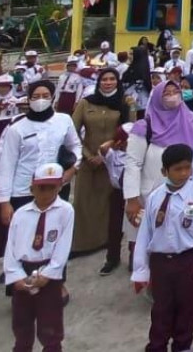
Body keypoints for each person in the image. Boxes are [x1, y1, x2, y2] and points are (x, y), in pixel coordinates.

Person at [131, 143, 193, 352]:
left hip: (187, 260)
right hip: (160, 262)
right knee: (161, 309)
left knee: (186, 309)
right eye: (178, 169)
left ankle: (182, 346)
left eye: (187, 168)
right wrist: (141, 270)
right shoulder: (155, 197)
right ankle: (157, 346)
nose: (184, 173)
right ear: (164, 171)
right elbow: (145, 235)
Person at [124, 81, 193, 267]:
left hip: (185, 194)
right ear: (157, 98)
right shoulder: (144, 126)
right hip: (150, 196)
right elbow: (132, 163)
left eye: (176, 92)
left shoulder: (190, 120)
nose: (172, 96)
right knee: (149, 240)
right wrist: (132, 199)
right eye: (167, 93)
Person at [3, 163, 74, 352]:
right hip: (23, 270)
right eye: (42, 187)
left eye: (52, 187)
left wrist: (48, 274)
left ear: (60, 186)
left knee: (50, 326)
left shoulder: (65, 211)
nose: (47, 193)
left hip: (48, 273)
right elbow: (11, 247)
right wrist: (15, 276)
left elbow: (63, 246)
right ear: (31, 188)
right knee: (22, 324)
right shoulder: (21, 214)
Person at [0, 81, 81, 228]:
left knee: (53, 233)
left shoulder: (64, 120)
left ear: (53, 97)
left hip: (56, 187)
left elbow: (75, 145)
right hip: (24, 191)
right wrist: (4, 202)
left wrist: (73, 169)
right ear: (28, 99)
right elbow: (6, 166)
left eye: (45, 96)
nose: (41, 100)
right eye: (36, 96)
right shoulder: (16, 128)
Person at [70, 67, 131, 271]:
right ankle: (82, 243)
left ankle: (106, 240)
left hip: (112, 161)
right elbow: (73, 131)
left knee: (108, 204)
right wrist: (88, 155)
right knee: (84, 201)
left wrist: (107, 152)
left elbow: (129, 131)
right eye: (104, 79)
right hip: (88, 160)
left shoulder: (126, 102)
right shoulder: (86, 102)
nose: (108, 82)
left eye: (112, 79)